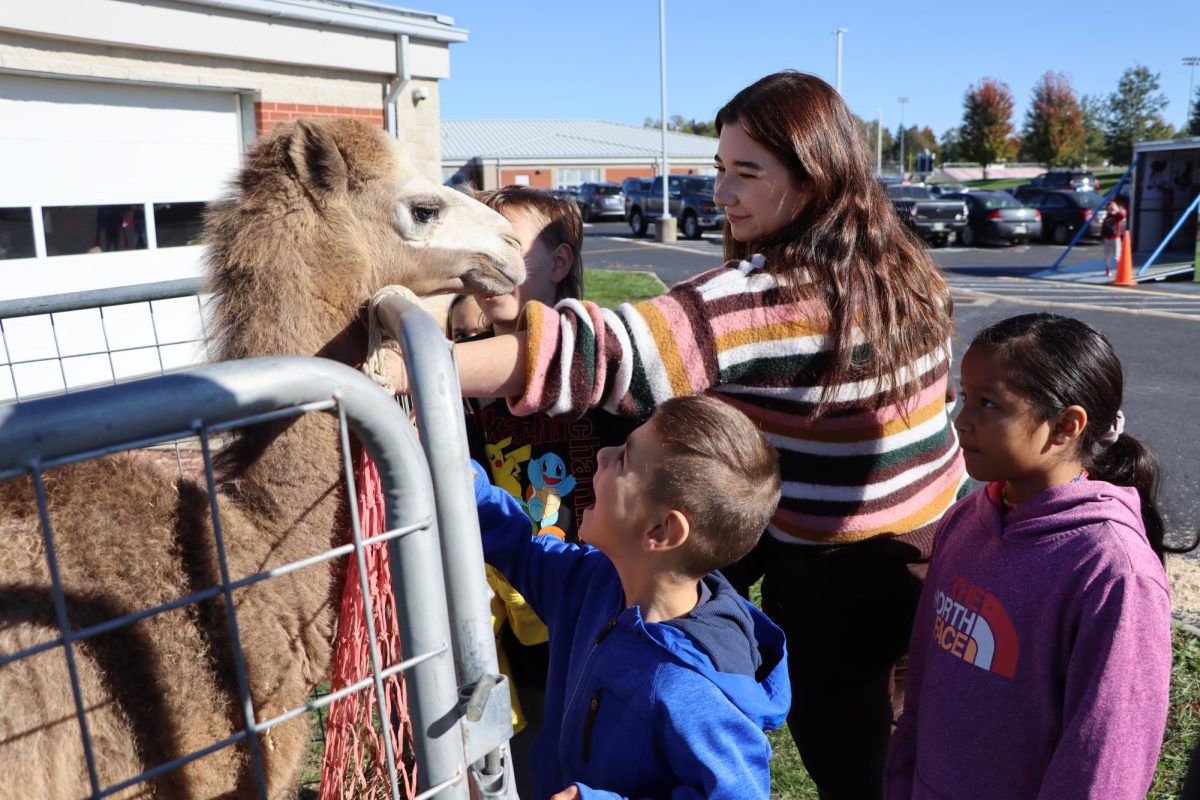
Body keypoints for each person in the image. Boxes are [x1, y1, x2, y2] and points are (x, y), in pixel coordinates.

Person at [388, 71, 965, 799]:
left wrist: (407, 370)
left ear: (815, 179)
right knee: (905, 747)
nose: (721, 193)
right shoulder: (902, 270)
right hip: (930, 551)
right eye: (719, 168)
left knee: (854, 766)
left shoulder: (770, 295)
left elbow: (596, 352)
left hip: (834, 579)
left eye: (746, 173)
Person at [885, 313, 1181, 800]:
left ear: (1065, 425)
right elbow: (923, 682)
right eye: (964, 395)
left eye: (988, 403)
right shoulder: (963, 522)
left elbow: (1105, 759)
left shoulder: (1113, 572)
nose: (961, 419)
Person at [472, 394, 790, 800]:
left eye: (623, 458)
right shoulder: (597, 581)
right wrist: (458, 479)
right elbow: (520, 547)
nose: (603, 453)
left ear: (660, 531)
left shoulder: (692, 689)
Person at [461, 185, 640, 798]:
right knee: (511, 752)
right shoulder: (460, 370)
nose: (484, 262)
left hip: (582, 603)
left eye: (507, 244)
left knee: (578, 746)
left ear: (560, 264)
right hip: (497, 609)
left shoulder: (607, 374)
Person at [1100, 198, 1127, 277]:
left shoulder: (1117, 217)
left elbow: (1122, 215)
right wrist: (1102, 238)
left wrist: (1117, 210)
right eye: (1109, 209)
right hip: (1107, 238)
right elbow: (1103, 229)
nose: (1111, 211)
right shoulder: (1107, 219)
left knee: (1117, 255)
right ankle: (1108, 268)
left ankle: (1119, 269)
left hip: (1115, 238)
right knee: (1107, 254)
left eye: (1112, 210)